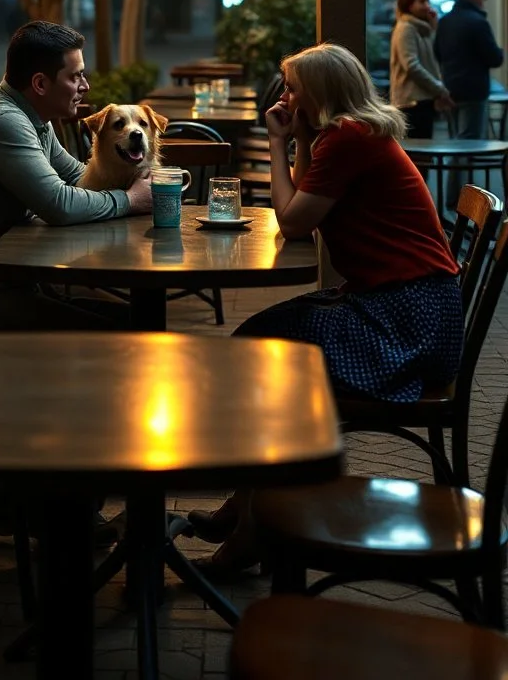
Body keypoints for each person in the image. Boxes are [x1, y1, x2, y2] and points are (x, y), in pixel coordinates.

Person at [188, 42, 463, 576]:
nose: (285, 96)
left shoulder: (349, 139)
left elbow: (292, 220)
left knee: (262, 357)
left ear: (321, 92)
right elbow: (304, 200)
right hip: (409, 306)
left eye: (292, 87)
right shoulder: (345, 136)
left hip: (407, 321)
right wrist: (298, 139)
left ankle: (253, 526)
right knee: (261, 342)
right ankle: (248, 510)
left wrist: (275, 139)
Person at [0, 20, 152, 336]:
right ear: (40, 84)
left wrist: (133, 176)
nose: (85, 86)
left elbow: (80, 176)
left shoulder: (34, 118)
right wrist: (130, 199)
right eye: (75, 76)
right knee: (125, 332)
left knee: (135, 321)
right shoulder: (3, 121)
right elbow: (59, 203)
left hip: (0, 286)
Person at [435, 0, 504, 208]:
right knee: (468, 146)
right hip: (474, 92)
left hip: (451, 90)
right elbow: (494, 58)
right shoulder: (478, 22)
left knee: (458, 142)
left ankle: (458, 196)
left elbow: (438, 53)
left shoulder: (445, 21)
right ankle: (458, 199)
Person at [390, 0, 453, 138]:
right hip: (412, 103)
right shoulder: (406, 28)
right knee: (419, 155)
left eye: (427, 1)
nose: (427, 5)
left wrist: (433, 28)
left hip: (422, 101)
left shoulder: (421, 29)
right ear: (409, 5)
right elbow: (411, 65)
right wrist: (439, 88)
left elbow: (430, 58)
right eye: (422, 1)